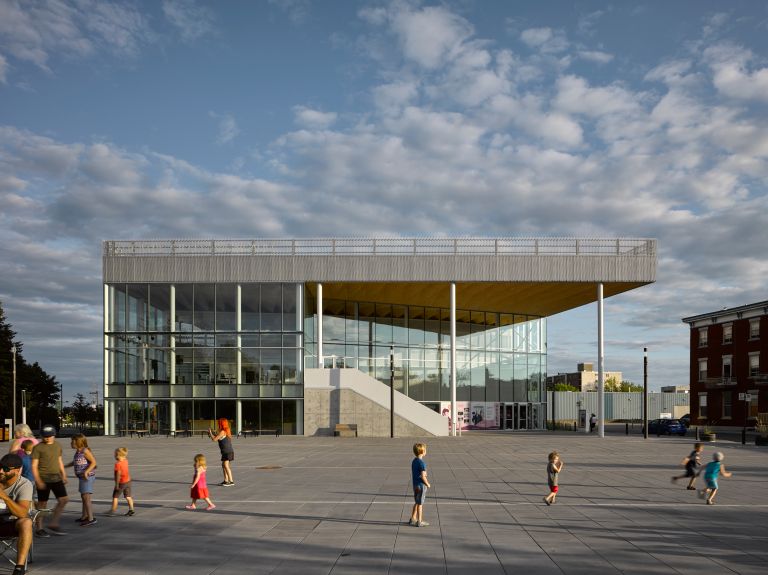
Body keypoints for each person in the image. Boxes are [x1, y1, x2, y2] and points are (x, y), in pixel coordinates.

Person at [30, 425, 68, 536]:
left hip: (56, 478)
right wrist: (38, 480)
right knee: (43, 504)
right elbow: (34, 465)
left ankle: (54, 523)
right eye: (45, 436)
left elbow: (59, 460)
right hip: (43, 478)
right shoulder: (38, 447)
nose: (47, 438)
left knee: (64, 500)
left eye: (50, 436)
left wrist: (64, 474)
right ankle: (39, 528)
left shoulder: (57, 445)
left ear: (54, 435)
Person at [0, 453, 34, 575]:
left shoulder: (24, 484)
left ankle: (19, 567)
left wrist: (5, 497)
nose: (1, 471)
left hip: (10, 523)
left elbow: (22, 513)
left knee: (26, 522)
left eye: (5, 469)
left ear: (18, 470)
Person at [64, 434, 97, 526]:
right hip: (82, 477)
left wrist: (86, 472)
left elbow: (94, 462)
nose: (71, 443)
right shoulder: (78, 452)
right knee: (83, 496)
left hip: (87, 477)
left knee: (86, 497)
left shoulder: (85, 451)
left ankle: (91, 518)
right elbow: (75, 462)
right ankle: (84, 516)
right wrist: (64, 466)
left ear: (78, 442)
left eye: (72, 441)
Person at [408, 443, 431, 527]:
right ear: (422, 451)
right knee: (420, 504)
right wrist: (427, 484)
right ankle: (420, 521)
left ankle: (413, 518)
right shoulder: (422, 463)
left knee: (416, 502)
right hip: (421, 485)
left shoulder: (414, 461)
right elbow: (423, 476)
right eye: (425, 450)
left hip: (415, 485)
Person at [108, 447, 135, 517]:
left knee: (115, 497)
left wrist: (117, 485)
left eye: (115, 454)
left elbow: (118, 475)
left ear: (118, 455)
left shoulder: (118, 464)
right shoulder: (126, 461)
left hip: (121, 483)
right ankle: (131, 509)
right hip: (128, 481)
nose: (114, 456)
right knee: (128, 496)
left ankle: (112, 511)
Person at [208, 418, 235, 486]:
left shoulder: (223, 432)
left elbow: (214, 439)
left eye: (219, 423)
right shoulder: (225, 431)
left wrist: (210, 432)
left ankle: (231, 481)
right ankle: (226, 480)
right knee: (223, 465)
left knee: (226, 465)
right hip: (227, 451)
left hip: (227, 451)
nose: (218, 424)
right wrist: (212, 433)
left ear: (221, 424)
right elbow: (216, 437)